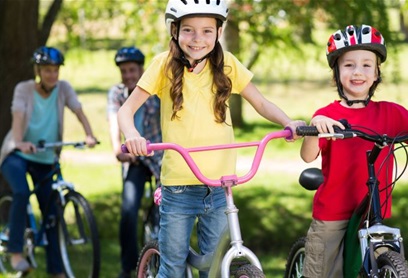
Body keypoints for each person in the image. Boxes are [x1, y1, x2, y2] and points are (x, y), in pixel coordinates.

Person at [117, 0, 305, 277]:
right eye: (189, 30)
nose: (197, 39)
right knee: (173, 269)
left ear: (218, 32)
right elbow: (126, 110)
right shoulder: (164, 65)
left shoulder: (227, 63)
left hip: (220, 186)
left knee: (215, 269)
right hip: (179, 187)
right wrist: (132, 135)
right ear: (175, 30)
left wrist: (288, 122)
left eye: (207, 31)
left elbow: (261, 103)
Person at [299, 24, 408, 278]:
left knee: (385, 264)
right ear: (336, 72)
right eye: (348, 65)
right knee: (323, 272)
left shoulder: (391, 113)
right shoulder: (328, 115)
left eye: (366, 65)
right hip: (333, 214)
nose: (358, 72)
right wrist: (315, 128)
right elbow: (307, 156)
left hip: (374, 213)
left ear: (377, 73)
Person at [0, 46, 97, 277]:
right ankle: (15, 252)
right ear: (38, 71)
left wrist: (89, 134)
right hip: (17, 154)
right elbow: (18, 114)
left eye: (55, 70)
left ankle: (58, 272)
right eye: (46, 70)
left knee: (52, 214)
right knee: (21, 193)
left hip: (45, 157)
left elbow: (78, 109)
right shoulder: (24, 89)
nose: (52, 75)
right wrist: (19, 141)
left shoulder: (63, 88)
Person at [107, 46, 163, 278]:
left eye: (132, 70)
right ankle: (128, 266)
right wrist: (116, 148)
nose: (128, 75)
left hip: (159, 157)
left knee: (167, 209)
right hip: (133, 159)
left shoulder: (155, 91)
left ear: (141, 69)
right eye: (124, 71)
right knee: (129, 210)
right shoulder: (117, 93)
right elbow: (114, 119)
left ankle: (163, 262)